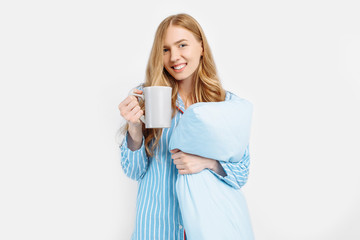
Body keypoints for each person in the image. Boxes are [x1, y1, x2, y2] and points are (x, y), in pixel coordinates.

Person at [118, 13, 252, 240]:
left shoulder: (224, 105)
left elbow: (241, 173)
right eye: (165, 49)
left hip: (208, 230)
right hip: (156, 230)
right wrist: (134, 128)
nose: (174, 57)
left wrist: (207, 163)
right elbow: (133, 170)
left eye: (182, 45)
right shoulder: (149, 100)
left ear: (201, 47)